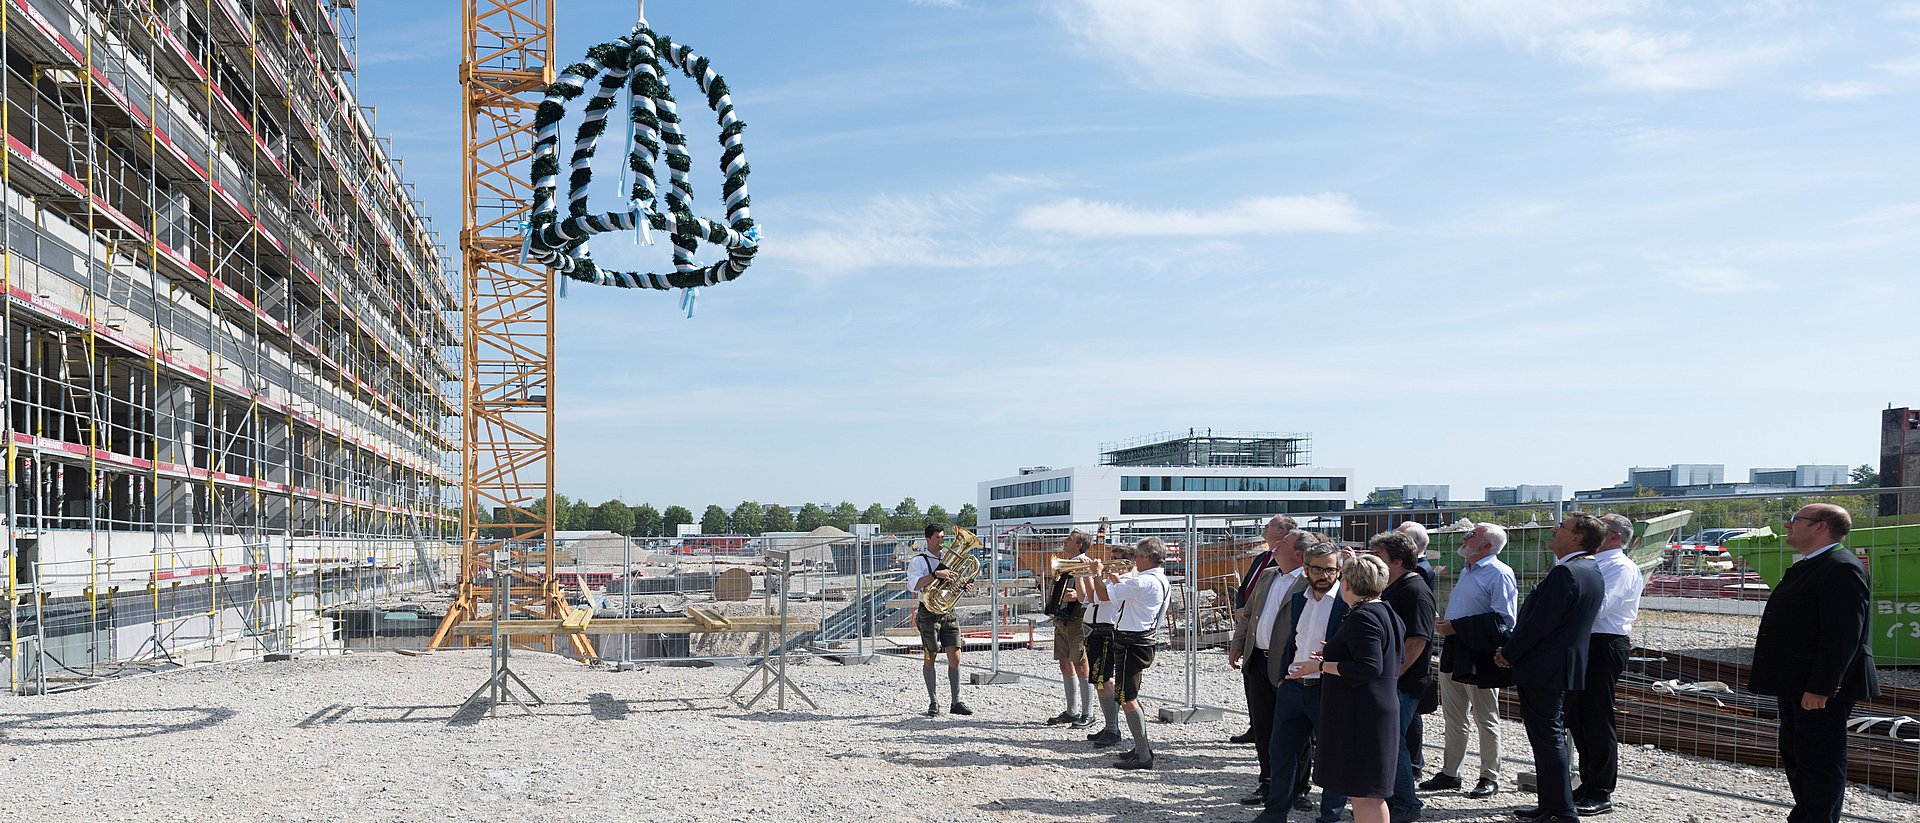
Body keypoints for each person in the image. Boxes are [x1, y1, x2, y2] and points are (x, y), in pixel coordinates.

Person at [1750, 503, 1879, 823]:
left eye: (1796, 519)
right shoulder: (1814, 563)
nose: (1788, 524)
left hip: (1818, 688)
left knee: (1819, 760)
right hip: (1797, 683)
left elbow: (1843, 635)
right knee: (1798, 755)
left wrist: (1821, 687)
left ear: (1820, 526)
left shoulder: (1840, 566)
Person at [1497, 514, 1606, 823]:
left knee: (1548, 739)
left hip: (1545, 669)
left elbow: (1538, 625)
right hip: (1562, 668)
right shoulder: (1591, 570)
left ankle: (1560, 810)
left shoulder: (1567, 573)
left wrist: (1509, 653)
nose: (1555, 531)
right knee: (1549, 738)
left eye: (1563, 528)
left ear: (1578, 538)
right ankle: (1550, 805)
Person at [1288, 553, 1406, 823]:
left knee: (1366, 793)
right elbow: (1389, 658)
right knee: (1366, 792)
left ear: (1348, 584)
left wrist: (1319, 667)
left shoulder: (1363, 616)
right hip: (1374, 710)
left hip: (1362, 715)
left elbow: (1368, 666)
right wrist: (1335, 657)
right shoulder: (1386, 611)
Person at [1253, 535, 1350, 823]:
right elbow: (1291, 642)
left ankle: (1329, 816)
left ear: (1338, 570)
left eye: (1330, 569)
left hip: (1328, 690)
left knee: (1331, 756)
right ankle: (1275, 812)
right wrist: (1283, 677)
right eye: (1318, 569)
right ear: (1306, 568)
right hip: (1293, 689)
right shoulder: (1299, 599)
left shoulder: (1346, 603)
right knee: (1281, 752)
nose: (1324, 576)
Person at [1423, 522, 1518, 799]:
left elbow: (1505, 620)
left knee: (1485, 717)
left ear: (1487, 546)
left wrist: (1458, 627)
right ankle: (1451, 772)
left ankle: (1490, 775)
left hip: (1481, 655)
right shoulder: (1468, 570)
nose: (1465, 537)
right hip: (1455, 650)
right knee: (1453, 716)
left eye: (1472, 535)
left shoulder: (1499, 574)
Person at [1564, 513, 1644, 815]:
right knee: (1580, 718)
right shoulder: (1593, 563)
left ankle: (1601, 790)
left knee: (1597, 717)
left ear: (1612, 536)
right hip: (1586, 642)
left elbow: (1597, 607)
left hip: (1603, 643)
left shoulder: (1621, 567)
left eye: (1600, 526)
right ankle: (1587, 783)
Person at [1228, 516, 1308, 806]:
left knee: (1295, 729)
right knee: (1263, 727)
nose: (1274, 547)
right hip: (1257, 662)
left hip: (1288, 664)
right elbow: (1248, 614)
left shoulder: (1307, 582)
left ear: (1298, 553)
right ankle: (1268, 782)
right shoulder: (1269, 575)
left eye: (1283, 543)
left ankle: (1298, 789)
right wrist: (1237, 645)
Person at [1370, 531, 1437, 823]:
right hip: (1388, 681)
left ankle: (1407, 804)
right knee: (1384, 742)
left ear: (1396, 562)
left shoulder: (1415, 591)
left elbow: (1417, 641)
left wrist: (1392, 676)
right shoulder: (1393, 588)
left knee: (1392, 743)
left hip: (1402, 684)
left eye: (1378, 557)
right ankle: (1388, 799)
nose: (1372, 561)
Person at [1092, 537, 1172, 770]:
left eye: (1137, 556)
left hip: (1132, 643)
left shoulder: (1143, 582)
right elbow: (1121, 592)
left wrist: (1097, 574)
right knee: (1130, 694)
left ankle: (1144, 755)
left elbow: (1105, 595)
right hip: (1140, 640)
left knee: (1127, 697)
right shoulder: (1156, 579)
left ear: (1147, 557)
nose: (1134, 560)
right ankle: (1140, 747)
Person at [1231, 515, 1297, 746]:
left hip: (1274, 639)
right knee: (1253, 683)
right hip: (1252, 627)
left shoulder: (1284, 564)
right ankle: (1256, 726)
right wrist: (1241, 607)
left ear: (1282, 532)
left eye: (1269, 525)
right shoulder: (1262, 558)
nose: (1265, 528)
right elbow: (1245, 585)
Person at [905, 523, 971, 717]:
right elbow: (914, 585)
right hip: (928, 611)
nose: (942, 541)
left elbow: (958, 581)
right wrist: (935, 574)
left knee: (956, 655)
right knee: (930, 655)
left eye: (943, 537)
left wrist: (963, 585)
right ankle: (933, 701)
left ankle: (956, 701)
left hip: (948, 610)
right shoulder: (919, 561)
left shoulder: (950, 559)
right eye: (938, 538)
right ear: (928, 539)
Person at [1392, 521, 1439, 781]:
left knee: (1405, 725)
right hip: (1401, 670)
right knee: (1406, 723)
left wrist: (1396, 672)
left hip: (1405, 672)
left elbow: (1417, 638)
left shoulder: (1417, 579)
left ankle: (1408, 780)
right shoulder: (1413, 576)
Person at [1043, 530, 1094, 727]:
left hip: (1077, 618)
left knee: (1081, 663)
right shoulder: (1066, 564)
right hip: (1062, 618)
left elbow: (1091, 594)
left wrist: (1077, 595)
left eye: (1069, 540)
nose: (1064, 542)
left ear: (1079, 545)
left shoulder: (1085, 563)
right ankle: (1072, 710)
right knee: (1064, 663)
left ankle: (1087, 713)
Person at [1083, 542, 1126, 746]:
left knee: (1103, 680)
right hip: (1095, 631)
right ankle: (1110, 725)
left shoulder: (1122, 581)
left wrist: (1096, 574)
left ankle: (1112, 728)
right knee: (1100, 680)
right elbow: (1091, 598)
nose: (1112, 562)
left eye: (1116, 559)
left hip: (1107, 631)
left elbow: (1101, 596)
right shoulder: (1109, 580)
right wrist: (1086, 574)